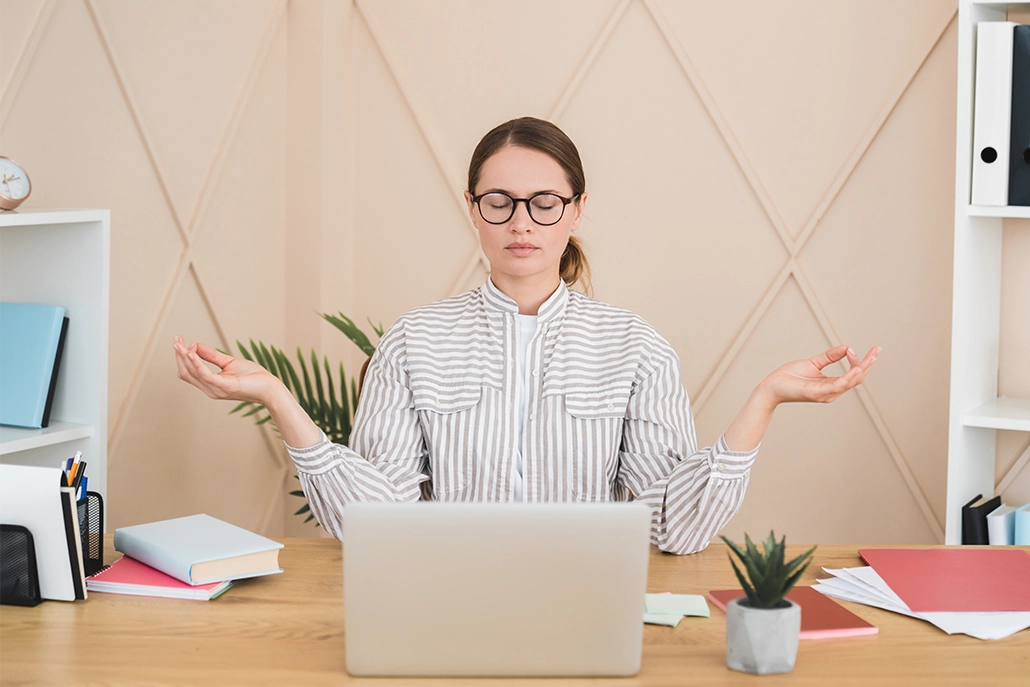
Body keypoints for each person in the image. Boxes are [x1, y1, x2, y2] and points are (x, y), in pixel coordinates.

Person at [173, 117, 879, 554]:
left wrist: (765, 400)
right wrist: (276, 397)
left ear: (576, 210)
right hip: (442, 606)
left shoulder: (636, 348)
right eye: (499, 201)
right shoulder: (413, 342)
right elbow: (373, 523)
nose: (522, 222)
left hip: (587, 608)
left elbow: (674, 529)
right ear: (472, 209)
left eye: (545, 203)